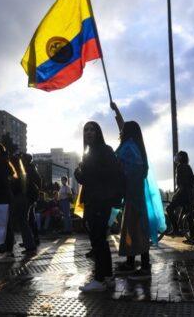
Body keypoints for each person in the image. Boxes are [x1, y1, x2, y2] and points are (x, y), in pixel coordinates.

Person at [74, 121, 120, 292]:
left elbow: (110, 174)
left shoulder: (105, 150)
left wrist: (83, 171)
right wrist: (80, 172)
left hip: (101, 201)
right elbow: (87, 179)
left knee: (98, 240)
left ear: (98, 132)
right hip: (93, 200)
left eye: (92, 129)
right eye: (86, 129)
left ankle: (99, 279)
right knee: (99, 239)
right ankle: (108, 276)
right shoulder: (89, 153)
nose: (89, 132)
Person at [113, 120, 152, 280]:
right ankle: (132, 263)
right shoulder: (137, 147)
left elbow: (126, 170)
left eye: (122, 130)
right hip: (136, 195)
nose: (120, 132)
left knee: (136, 230)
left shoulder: (129, 147)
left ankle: (144, 268)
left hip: (132, 195)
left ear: (127, 132)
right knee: (134, 229)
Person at [165, 151, 194, 239]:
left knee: (169, 209)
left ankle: (175, 230)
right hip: (188, 194)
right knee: (189, 216)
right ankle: (192, 238)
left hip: (183, 194)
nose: (176, 158)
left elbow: (182, 183)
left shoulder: (180, 167)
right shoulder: (188, 166)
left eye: (178, 156)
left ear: (181, 158)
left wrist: (176, 194)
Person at [23, 153, 42, 246]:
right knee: (31, 218)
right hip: (31, 197)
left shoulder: (28, 169)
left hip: (28, 196)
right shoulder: (33, 169)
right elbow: (39, 182)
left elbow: (37, 182)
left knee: (27, 219)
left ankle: (31, 240)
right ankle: (33, 238)